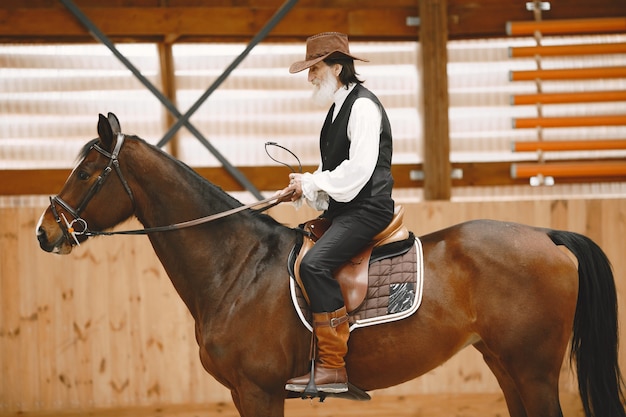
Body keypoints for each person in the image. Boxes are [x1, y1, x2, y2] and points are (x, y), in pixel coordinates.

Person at [279, 32, 395, 394]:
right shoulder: (337, 109)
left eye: (314, 69)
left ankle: (333, 366)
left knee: (314, 265)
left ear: (337, 67)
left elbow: (358, 171)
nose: (310, 77)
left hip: (368, 209)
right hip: (348, 209)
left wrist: (312, 183)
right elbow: (335, 170)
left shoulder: (362, 107)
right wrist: (305, 184)